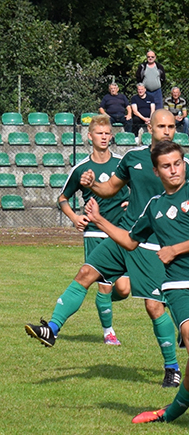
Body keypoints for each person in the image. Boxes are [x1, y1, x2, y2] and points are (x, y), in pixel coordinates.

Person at [24, 110, 189, 388]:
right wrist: (92, 184)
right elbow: (110, 188)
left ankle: (172, 368)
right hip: (122, 236)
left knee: (153, 307)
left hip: (153, 245)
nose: (167, 131)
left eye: (171, 126)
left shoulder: (183, 165)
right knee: (85, 273)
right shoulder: (133, 158)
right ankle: (52, 329)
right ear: (149, 127)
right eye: (161, 126)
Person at [86, 141, 189, 433]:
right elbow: (130, 240)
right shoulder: (154, 206)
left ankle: (168, 413)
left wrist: (175, 249)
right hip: (179, 286)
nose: (174, 170)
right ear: (156, 172)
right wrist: (100, 221)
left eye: (177, 163)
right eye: (166, 166)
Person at [57, 114, 131, 345]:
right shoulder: (82, 169)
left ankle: (103, 301)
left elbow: (138, 187)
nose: (104, 137)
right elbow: (63, 197)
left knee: (124, 288)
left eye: (107, 133)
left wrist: (132, 201)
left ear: (111, 136)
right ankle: (109, 332)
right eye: (99, 133)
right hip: (94, 234)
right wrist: (74, 217)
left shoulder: (122, 163)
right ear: (90, 137)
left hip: (119, 232)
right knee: (105, 285)